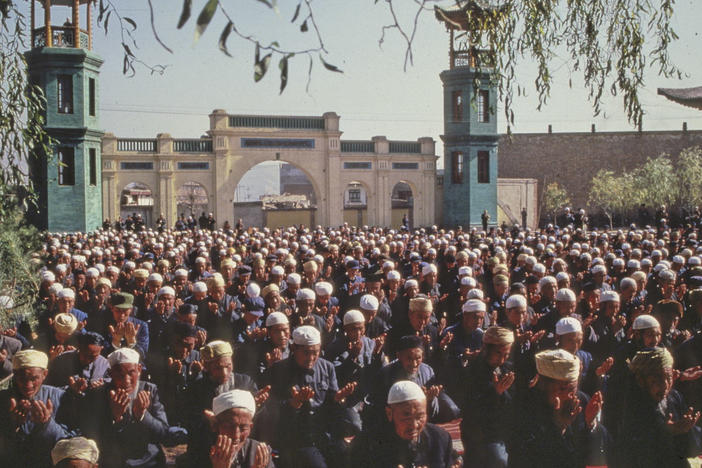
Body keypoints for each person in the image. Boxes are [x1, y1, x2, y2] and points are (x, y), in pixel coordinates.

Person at [77, 347, 186, 468]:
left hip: (148, 461)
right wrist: (116, 418)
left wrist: (143, 416)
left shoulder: (149, 390)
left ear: (139, 369)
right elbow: (91, 438)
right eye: (120, 374)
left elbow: (164, 435)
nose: (126, 380)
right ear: (110, 373)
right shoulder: (98, 394)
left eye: (131, 373)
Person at [510, 349, 607, 468]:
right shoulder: (524, 405)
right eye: (562, 389)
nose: (569, 396)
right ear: (543, 386)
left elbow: (595, 454)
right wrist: (559, 427)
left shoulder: (581, 401)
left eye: (573, 389)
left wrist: (591, 424)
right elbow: (527, 456)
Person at [616, 348, 702, 467]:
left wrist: (686, 430)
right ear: (641, 380)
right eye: (657, 380)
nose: (665, 385)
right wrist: (666, 431)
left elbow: (685, 448)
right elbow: (634, 448)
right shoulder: (631, 403)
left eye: (668, 377)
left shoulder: (674, 397)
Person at [351, 380, 459, 467]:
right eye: (406, 416)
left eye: (420, 416)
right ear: (389, 413)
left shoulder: (440, 438)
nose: (414, 425)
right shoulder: (367, 443)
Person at [0, 350, 76, 466]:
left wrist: (47, 424)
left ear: (45, 374)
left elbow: (70, 441)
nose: (28, 385)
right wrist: (11, 426)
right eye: (22, 378)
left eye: (34, 378)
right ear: (14, 375)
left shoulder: (60, 397)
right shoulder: (3, 398)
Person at [460, 326, 515, 468]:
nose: (502, 359)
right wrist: (495, 393)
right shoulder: (471, 369)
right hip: (480, 432)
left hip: (504, 428)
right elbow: (471, 410)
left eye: (506, 355)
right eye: (498, 353)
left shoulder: (505, 368)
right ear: (486, 348)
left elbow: (512, 402)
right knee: (498, 460)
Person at [187, 389, 273, 468]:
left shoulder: (260, 453)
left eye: (243, 428)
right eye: (229, 426)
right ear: (216, 426)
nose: (236, 435)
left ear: (250, 427)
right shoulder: (198, 453)